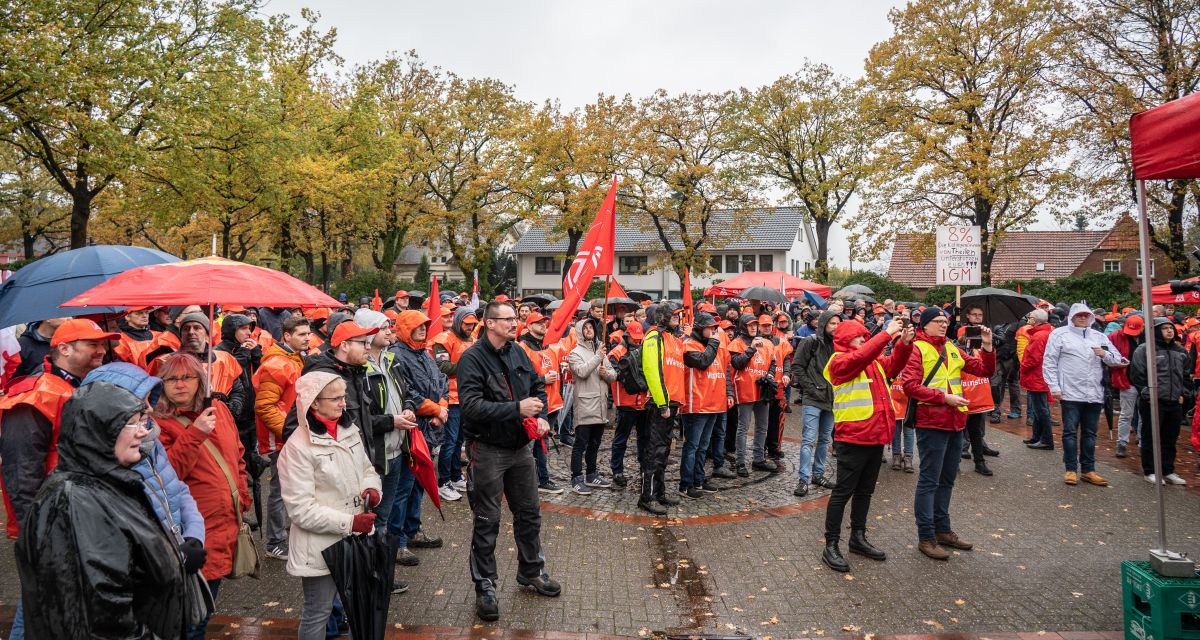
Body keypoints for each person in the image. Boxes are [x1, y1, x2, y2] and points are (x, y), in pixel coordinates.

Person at [15, 380, 188, 639]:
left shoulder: (107, 485)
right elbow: (100, 616)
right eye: (133, 424)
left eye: (143, 422)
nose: (143, 433)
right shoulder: (74, 503)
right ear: (101, 430)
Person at [458, 300, 560, 622]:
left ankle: (531, 570)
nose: (513, 323)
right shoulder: (472, 359)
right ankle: (485, 585)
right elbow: (472, 406)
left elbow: (536, 389)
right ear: (489, 323)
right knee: (488, 520)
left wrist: (540, 416)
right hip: (487, 449)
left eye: (515, 318)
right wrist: (517, 409)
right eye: (507, 319)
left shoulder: (518, 352)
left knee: (529, 513)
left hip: (520, 449)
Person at [278, 371, 383, 640]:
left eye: (343, 396)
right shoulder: (297, 448)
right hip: (320, 546)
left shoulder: (350, 429)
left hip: (356, 540)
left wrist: (372, 488)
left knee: (361, 608)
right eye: (335, 398)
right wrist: (350, 522)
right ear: (314, 403)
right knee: (318, 612)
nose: (343, 403)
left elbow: (367, 468)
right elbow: (301, 509)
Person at [153, 352, 251, 639]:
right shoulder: (159, 424)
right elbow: (167, 475)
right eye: (171, 379)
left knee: (204, 610)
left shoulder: (218, 410)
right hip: (191, 532)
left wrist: (242, 497)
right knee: (189, 618)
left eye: (187, 378)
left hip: (225, 524)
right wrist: (195, 433)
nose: (179, 385)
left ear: (201, 380)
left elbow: (238, 457)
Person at [84, 362, 209, 578]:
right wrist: (168, 558)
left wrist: (194, 535)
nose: (150, 408)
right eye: (141, 401)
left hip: (173, 567)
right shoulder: (81, 484)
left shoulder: (150, 440)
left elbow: (176, 487)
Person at [901, 307, 994, 561]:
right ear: (926, 325)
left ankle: (943, 530)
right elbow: (910, 386)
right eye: (938, 321)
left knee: (947, 479)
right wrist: (944, 398)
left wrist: (987, 347)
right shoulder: (917, 349)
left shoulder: (952, 348)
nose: (944, 325)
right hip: (932, 422)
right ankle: (927, 536)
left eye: (946, 321)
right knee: (929, 481)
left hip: (956, 421)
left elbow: (983, 370)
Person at [820, 317, 913, 572]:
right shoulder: (838, 361)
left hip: (875, 436)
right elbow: (858, 358)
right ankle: (831, 545)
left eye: (865, 336)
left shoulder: (869, 360)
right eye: (860, 336)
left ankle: (857, 538)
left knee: (865, 492)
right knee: (843, 493)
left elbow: (893, 364)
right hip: (853, 437)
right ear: (846, 339)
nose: (864, 339)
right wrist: (885, 335)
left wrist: (903, 344)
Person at [353, 309, 418, 580]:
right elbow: (361, 419)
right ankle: (371, 575)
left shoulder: (392, 361)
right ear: (368, 334)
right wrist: (392, 421)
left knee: (387, 514)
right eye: (384, 327)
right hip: (375, 454)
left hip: (396, 449)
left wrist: (409, 408)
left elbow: (409, 392)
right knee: (373, 517)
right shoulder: (361, 369)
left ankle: (380, 572)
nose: (390, 331)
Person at [386, 310, 449, 563]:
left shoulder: (425, 353)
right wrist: (435, 409)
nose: (423, 330)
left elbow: (441, 381)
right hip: (411, 432)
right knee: (404, 487)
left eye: (425, 326)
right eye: (417, 327)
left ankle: (413, 529)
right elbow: (406, 392)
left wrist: (441, 408)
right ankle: (398, 541)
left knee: (419, 484)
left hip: (430, 428)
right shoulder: (396, 356)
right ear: (404, 328)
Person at [1041, 304, 1127, 486]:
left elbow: (1118, 360)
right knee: (1070, 432)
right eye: (1079, 315)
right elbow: (1049, 361)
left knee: (1090, 433)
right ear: (1071, 316)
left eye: (1086, 315)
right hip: (1070, 392)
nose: (1082, 318)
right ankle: (1071, 469)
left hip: (1094, 393)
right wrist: (1054, 386)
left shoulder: (1099, 336)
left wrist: (1104, 353)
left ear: (1091, 318)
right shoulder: (1059, 334)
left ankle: (1088, 469)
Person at [253, 314, 311, 560]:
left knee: (290, 486)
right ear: (287, 336)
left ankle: (286, 534)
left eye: (308, 333)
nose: (308, 338)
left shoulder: (294, 358)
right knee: (279, 490)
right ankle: (275, 542)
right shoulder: (278, 364)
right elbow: (265, 406)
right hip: (281, 438)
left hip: (291, 434)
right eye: (302, 334)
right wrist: (289, 432)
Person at [1129, 317, 1193, 485]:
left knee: (1170, 438)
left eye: (1170, 328)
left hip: (1174, 402)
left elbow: (1186, 376)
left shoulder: (1180, 351)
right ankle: (1150, 470)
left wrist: (1183, 395)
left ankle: (1168, 469)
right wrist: (1148, 395)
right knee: (1150, 437)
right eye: (1164, 328)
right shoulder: (1144, 350)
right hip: (1152, 401)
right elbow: (1137, 374)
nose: (1169, 331)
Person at [640, 303, 687, 514]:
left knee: (664, 451)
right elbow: (653, 370)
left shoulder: (674, 339)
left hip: (671, 403)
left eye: (679, 315)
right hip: (660, 404)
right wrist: (662, 403)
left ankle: (659, 492)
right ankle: (647, 497)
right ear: (663, 317)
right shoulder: (654, 336)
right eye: (674, 315)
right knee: (654, 451)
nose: (678, 318)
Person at [680, 312, 730, 498]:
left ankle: (699, 480)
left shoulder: (711, 345)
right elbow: (702, 362)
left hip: (713, 404)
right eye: (711, 328)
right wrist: (715, 343)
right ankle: (686, 484)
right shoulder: (689, 345)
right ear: (701, 328)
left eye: (715, 328)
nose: (714, 331)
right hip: (696, 405)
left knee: (703, 446)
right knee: (692, 446)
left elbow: (724, 367)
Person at [791, 308, 841, 496]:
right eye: (832, 323)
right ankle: (803, 479)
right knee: (808, 440)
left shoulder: (839, 344)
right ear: (824, 324)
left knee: (824, 440)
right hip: (813, 398)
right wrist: (811, 388)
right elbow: (797, 366)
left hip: (831, 399)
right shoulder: (811, 342)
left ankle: (818, 474)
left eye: (838, 323)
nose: (836, 327)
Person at [567, 316, 618, 495]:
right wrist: (598, 357)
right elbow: (582, 371)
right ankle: (576, 477)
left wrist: (606, 374)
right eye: (585, 328)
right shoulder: (575, 353)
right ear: (580, 332)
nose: (589, 330)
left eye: (591, 327)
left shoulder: (600, 351)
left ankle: (591, 473)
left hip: (601, 405)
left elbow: (613, 375)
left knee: (595, 443)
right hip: (585, 405)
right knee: (580, 443)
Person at [431, 307, 478, 500]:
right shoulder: (443, 340)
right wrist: (469, 366)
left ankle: (455, 475)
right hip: (451, 398)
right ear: (459, 322)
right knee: (449, 443)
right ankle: (443, 481)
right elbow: (441, 366)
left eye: (472, 324)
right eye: (466, 323)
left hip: (467, 397)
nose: (470, 327)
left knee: (459, 442)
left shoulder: (473, 340)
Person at [518, 311, 566, 492]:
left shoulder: (550, 346)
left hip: (552, 403)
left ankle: (541, 478)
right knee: (530, 444)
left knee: (542, 443)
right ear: (529, 326)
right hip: (533, 404)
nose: (543, 325)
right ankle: (533, 480)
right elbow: (521, 378)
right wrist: (542, 379)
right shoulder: (523, 348)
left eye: (544, 322)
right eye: (538, 323)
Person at [727, 314, 776, 477]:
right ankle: (740, 462)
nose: (754, 327)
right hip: (745, 390)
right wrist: (751, 349)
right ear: (743, 326)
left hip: (762, 390)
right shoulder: (736, 343)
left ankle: (758, 459)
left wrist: (769, 376)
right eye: (750, 325)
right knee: (743, 427)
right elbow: (737, 363)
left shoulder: (767, 343)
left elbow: (773, 363)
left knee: (762, 426)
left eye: (755, 324)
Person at [608, 322, 649, 488]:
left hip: (643, 402)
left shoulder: (644, 349)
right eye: (635, 338)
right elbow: (612, 372)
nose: (638, 341)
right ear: (627, 336)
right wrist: (628, 377)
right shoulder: (617, 352)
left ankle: (644, 468)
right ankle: (617, 470)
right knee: (621, 439)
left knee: (644, 439)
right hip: (626, 402)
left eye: (640, 339)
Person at [1109, 314, 1144, 458]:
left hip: (1145, 382)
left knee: (1144, 415)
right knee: (1126, 414)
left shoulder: (1151, 337)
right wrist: (1116, 364)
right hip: (1126, 380)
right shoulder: (1115, 336)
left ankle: (1143, 443)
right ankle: (1122, 443)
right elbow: (1107, 354)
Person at [1019, 310, 1055, 449]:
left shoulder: (1039, 335)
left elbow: (1033, 358)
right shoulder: (1045, 333)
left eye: (1030, 317)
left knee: (1040, 410)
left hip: (1037, 376)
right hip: (1039, 376)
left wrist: (1022, 368)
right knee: (1038, 409)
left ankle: (1046, 439)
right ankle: (1037, 437)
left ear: (1036, 320)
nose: (1028, 319)